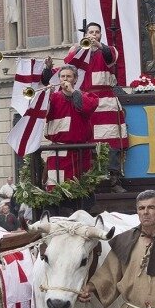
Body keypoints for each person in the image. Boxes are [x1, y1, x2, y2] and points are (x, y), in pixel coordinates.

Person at [59, 22, 128, 192]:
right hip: (84, 99)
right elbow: (68, 65)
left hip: (106, 101)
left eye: (97, 32)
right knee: (88, 140)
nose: (93, 35)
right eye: (91, 32)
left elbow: (110, 57)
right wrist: (78, 48)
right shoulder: (79, 52)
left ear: (100, 36)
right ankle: (90, 181)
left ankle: (114, 179)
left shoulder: (108, 50)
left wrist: (98, 45)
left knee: (111, 140)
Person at [44, 64, 99, 190]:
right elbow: (41, 113)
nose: (65, 79)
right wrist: (46, 96)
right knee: (56, 189)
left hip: (80, 153)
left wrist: (73, 92)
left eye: (68, 76)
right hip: (58, 152)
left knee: (80, 189)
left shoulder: (87, 96)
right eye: (62, 76)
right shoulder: (53, 97)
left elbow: (88, 108)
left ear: (75, 79)